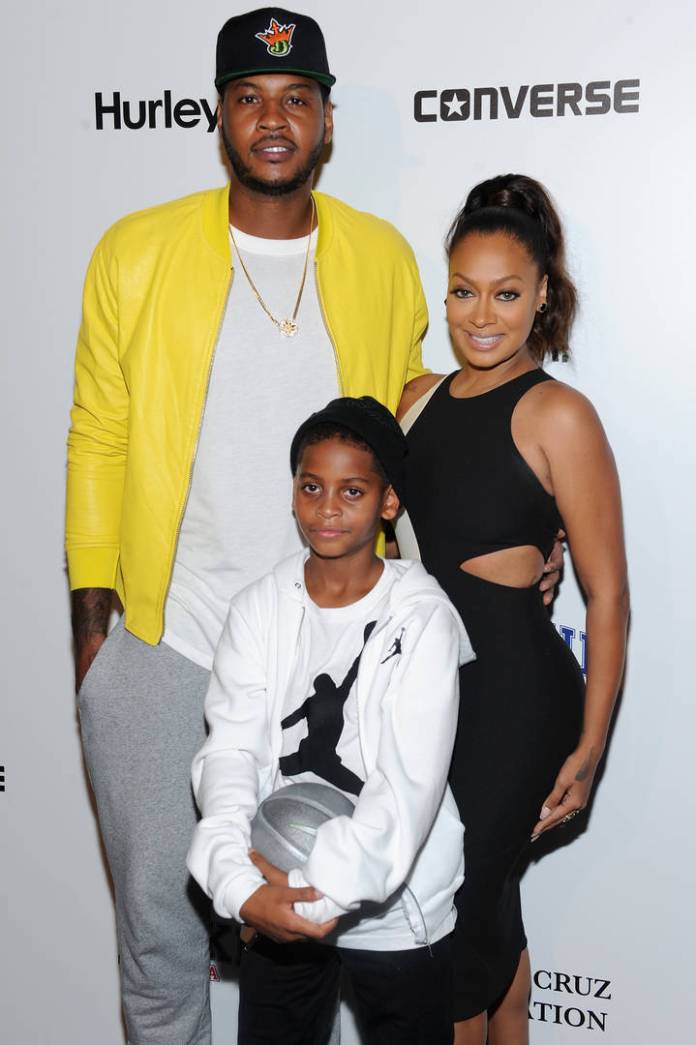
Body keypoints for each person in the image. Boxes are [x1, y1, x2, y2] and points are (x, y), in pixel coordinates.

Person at [65, 9, 432, 1043]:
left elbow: (414, 429)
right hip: (166, 645)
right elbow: (97, 436)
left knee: (317, 935)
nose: (274, 120)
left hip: (332, 653)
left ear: (326, 120)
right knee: (159, 944)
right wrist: (95, 641)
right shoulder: (135, 251)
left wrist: (520, 529)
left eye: (296, 99)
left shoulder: (382, 256)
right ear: (220, 116)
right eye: (250, 98)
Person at [395, 174, 629, 1045]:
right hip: (427, 697)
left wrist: (591, 749)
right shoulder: (413, 401)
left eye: (505, 294)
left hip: (517, 701)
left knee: (455, 925)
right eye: (464, 292)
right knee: (488, 915)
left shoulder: (559, 415)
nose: (481, 315)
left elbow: (608, 594)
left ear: (541, 298)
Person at [187, 396, 473, 1045]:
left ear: (389, 502)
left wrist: (312, 891)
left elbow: (406, 788)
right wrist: (242, 887)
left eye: (352, 490)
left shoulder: (423, 618)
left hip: (398, 914)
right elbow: (228, 755)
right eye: (311, 486)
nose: (327, 508)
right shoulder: (258, 608)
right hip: (277, 898)